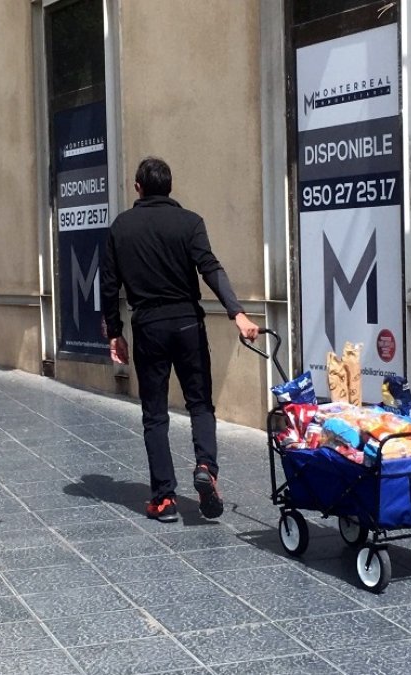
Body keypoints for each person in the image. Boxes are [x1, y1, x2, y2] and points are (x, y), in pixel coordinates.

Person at [100, 157, 260, 523]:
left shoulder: (121, 228)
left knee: (155, 414)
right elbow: (210, 268)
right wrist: (237, 312)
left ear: (138, 187)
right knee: (200, 404)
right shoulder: (190, 223)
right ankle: (206, 467)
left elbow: (109, 286)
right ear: (170, 187)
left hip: (148, 326)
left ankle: (163, 500)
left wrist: (115, 333)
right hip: (188, 323)